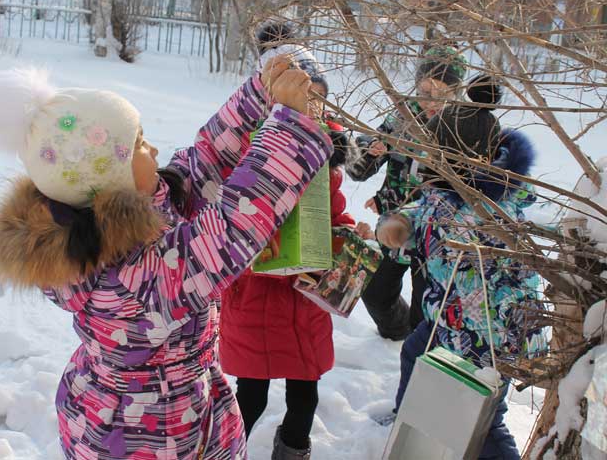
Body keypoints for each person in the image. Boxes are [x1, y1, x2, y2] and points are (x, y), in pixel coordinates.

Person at [0, 55, 332, 459]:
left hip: (171, 411)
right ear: (110, 178)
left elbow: (202, 164)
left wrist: (258, 96)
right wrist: (288, 130)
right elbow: (233, 229)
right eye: (140, 143)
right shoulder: (133, 280)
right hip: (149, 435)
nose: (155, 148)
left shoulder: (112, 220)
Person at [218, 24, 365, 460]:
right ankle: (225, 452)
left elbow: (335, 213)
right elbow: (224, 223)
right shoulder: (246, 153)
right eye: (302, 97)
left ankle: (292, 453)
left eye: (317, 97)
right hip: (257, 295)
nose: (311, 107)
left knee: (305, 398)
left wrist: (348, 235)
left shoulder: (325, 156)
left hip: (305, 299)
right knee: (251, 397)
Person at [376, 103, 546, 459]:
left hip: (480, 333)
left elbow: (425, 229)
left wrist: (395, 228)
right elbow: (427, 209)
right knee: (413, 349)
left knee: (485, 422)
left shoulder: (452, 210)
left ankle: (428, 428)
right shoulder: (502, 187)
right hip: (490, 321)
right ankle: (409, 420)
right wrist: (404, 219)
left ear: (447, 154)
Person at [344, 45, 468, 340]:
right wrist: (369, 151)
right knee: (375, 292)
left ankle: (414, 349)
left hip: (433, 234)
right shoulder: (403, 117)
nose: (431, 100)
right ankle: (394, 335)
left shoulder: (462, 126)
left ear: (456, 92)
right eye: (425, 90)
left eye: (441, 93)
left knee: (423, 310)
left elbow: (455, 188)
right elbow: (358, 170)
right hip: (392, 230)